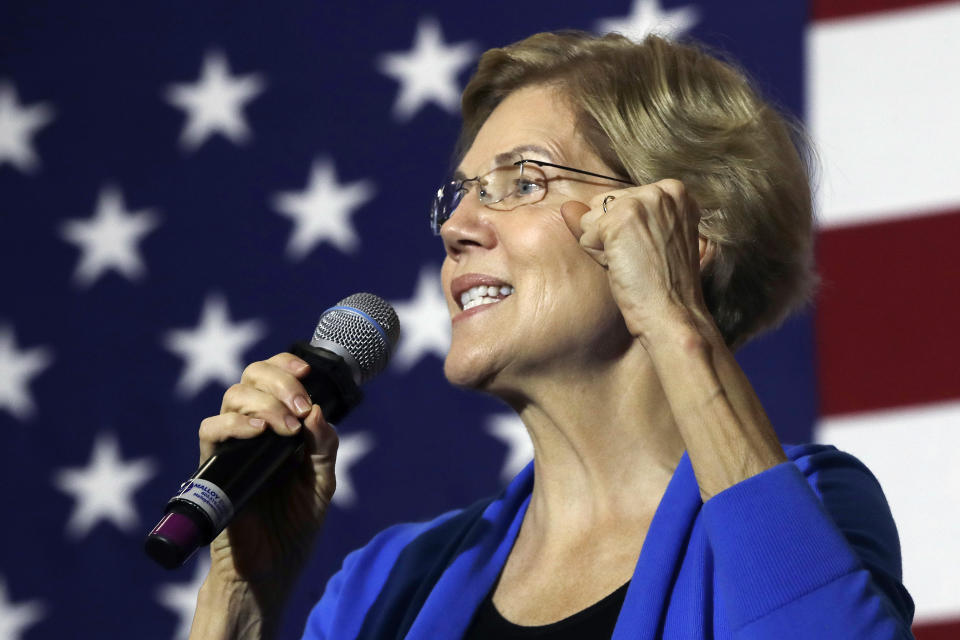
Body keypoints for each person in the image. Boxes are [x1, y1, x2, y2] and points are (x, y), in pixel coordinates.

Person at [188, 31, 915, 639]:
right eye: (462, 192)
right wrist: (240, 596)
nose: (456, 227)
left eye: (522, 181)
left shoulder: (805, 505)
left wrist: (674, 319)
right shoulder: (387, 587)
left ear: (676, 229)